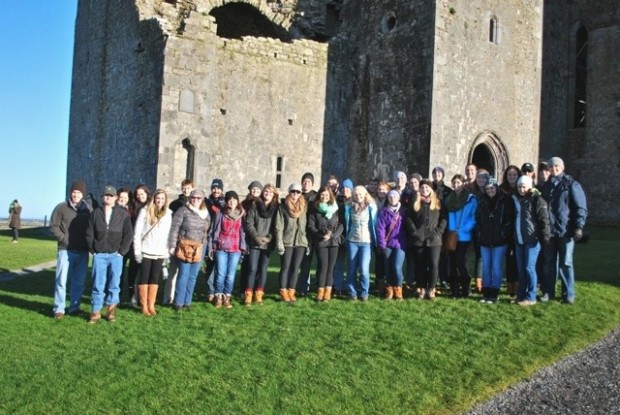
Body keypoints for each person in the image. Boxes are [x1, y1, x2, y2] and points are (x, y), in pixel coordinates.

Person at [541, 157, 588, 304]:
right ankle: (548, 292)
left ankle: (568, 294)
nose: (553, 169)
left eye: (556, 166)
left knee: (566, 264)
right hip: (549, 231)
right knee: (549, 263)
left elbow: (581, 207)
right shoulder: (546, 186)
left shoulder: (571, 184)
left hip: (565, 231)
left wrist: (579, 227)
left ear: (562, 167)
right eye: (551, 166)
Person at [86, 186, 134, 323]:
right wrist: (92, 250)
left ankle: (111, 310)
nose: (108, 197)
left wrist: (122, 252)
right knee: (98, 283)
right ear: (103, 197)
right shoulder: (95, 213)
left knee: (114, 284)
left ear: (115, 198)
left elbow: (128, 234)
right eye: (106, 195)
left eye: (111, 195)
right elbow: (89, 233)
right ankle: (95, 311)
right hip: (99, 254)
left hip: (115, 255)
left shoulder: (123, 214)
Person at [50, 180, 92, 319]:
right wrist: (64, 239)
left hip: (82, 251)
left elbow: (92, 228)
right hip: (65, 250)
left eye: (79, 192)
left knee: (78, 282)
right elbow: (53, 226)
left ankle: (74, 307)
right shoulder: (61, 208)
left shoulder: (88, 210)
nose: (76, 195)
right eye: (74, 192)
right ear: (70, 193)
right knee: (61, 281)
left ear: (83, 194)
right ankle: (59, 309)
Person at [168, 189, 211, 311]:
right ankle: (178, 302)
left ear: (202, 200)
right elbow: (174, 228)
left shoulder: (205, 213)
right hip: (184, 246)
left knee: (193, 276)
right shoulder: (183, 211)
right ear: (190, 198)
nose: (196, 200)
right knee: (183, 275)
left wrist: (205, 246)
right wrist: (172, 245)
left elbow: (207, 230)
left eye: (199, 198)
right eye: (193, 198)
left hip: (199, 247)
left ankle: (187, 301)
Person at [132, 189, 172, 316]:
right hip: (146, 250)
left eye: (162, 198)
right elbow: (137, 232)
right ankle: (144, 305)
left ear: (165, 200)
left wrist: (166, 253)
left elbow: (168, 235)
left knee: (155, 278)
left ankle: (151, 305)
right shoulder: (145, 211)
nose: (159, 200)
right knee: (144, 277)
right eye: (158, 198)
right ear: (154, 198)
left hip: (160, 251)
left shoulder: (168, 214)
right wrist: (137, 251)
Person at [512, 175, 550, 306]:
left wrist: (545, 238)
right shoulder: (516, 199)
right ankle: (520, 295)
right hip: (519, 239)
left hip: (532, 240)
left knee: (529, 268)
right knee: (521, 269)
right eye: (519, 187)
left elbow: (544, 220)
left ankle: (531, 296)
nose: (521, 189)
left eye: (524, 187)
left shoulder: (537, 200)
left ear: (530, 187)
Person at [406, 179, 446, 300]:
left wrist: (438, 231)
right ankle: (422, 288)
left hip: (434, 239)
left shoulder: (438, 202)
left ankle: (432, 288)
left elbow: (444, 219)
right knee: (420, 265)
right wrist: (414, 232)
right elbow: (408, 218)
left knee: (433, 264)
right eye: (422, 188)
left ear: (431, 190)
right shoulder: (415, 201)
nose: (425, 190)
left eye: (427, 188)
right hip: (419, 238)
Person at [476, 178, 513, 304]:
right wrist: (480, 233)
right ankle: (486, 292)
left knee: (496, 267)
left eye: (492, 188)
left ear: (496, 188)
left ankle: (494, 293)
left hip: (499, 240)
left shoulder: (504, 201)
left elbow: (509, 220)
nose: (489, 191)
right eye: (487, 189)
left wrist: (503, 233)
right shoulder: (482, 201)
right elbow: (478, 220)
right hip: (485, 239)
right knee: (486, 267)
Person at [210, 191, 246, 309]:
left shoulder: (241, 215)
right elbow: (215, 230)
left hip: (235, 249)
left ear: (237, 201)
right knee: (220, 274)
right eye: (229, 200)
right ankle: (218, 296)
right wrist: (213, 246)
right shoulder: (220, 214)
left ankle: (227, 297)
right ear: (226, 201)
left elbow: (243, 232)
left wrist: (243, 247)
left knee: (230, 275)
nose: (232, 202)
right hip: (222, 248)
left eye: (234, 200)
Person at [244, 184, 279, 305]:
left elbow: (277, 225)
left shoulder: (276, 208)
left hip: (267, 243)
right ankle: (248, 294)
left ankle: (259, 294)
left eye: (270, 192)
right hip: (255, 242)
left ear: (274, 194)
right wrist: (256, 237)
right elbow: (249, 223)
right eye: (266, 191)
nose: (268, 193)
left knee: (263, 269)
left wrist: (269, 238)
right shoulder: (255, 205)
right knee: (252, 269)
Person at [308, 185, 343, 302]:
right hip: (321, 241)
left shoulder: (335, 208)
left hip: (333, 241)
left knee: (331, 268)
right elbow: (311, 226)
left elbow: (340, 225)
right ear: (319, 195)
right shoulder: (314, 208)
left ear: (330, 196)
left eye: (327, 195)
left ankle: (327, 292)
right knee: (323, 267)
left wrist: (332, 235)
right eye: (322, 194)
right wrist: (321, 234)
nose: (324, 197)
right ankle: (320, 291)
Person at [445, 174, 477, 298]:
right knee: (452, 263)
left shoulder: (470, 198)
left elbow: (473, 217)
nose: (456, 185)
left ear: (463, 183)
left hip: (464, 235)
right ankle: (454, 290)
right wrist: (451, 230)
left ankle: (465, 288)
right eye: (454, 183)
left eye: (458, 182)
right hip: (452, 234)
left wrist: (464, 229)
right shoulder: (449, 199)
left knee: (460, 261)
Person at [275, 183, 308, 303]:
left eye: (298, 192)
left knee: (295, 268)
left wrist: (306, 241)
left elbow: (305, 225)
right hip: (287, 241)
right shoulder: (283, 206)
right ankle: (283, 292)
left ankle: (291, 291)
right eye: (293, 191)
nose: (295, 194)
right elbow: (279, 225)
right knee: (285, 267)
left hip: (300, 242)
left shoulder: (304, 206)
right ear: (289, 192)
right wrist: (279, 242)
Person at [163, 179, 194, 305]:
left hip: (189, 242)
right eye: (184, 188)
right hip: (177, 240)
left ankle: (180, 299)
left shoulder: (196, 203)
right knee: (173, 272)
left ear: (192, 188)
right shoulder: (175, 204)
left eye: (188, 188)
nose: (186, 190)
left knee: (186, 273)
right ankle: (167, 298)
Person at [345, 185, 378, 301]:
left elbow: (374, 224)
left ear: (365, 195)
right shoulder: (349, 207)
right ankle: (352, 292)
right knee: (352, 269)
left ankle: (364, 293)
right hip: (352, 241)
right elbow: (347, 223)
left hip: (366, 242)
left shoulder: (371, 207)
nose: (358, 196)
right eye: (356, 194)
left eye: (360, 194)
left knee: (364, 269)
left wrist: (376, 240)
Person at [376, 190, 407, 300]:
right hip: (387, 243)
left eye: (395, 196)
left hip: (400, 243)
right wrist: (382, 244)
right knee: (388, 267)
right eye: (390, 196)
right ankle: (389, 289)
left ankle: (398, 289)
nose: (392, 198)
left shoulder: (404, 211)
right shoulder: (384, 212)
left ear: (398, 198)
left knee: (397, 267)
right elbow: (380, 229)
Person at [125, 184, 151, 307]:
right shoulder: (133, 207)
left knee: (145, 273)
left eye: (142, 193)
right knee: (133, 271)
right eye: (138, 194)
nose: (140, 196)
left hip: (148, 244)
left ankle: (143, 298)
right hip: (134, 243)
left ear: (147, 193)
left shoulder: (151, 206)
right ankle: (132, 297)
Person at [500, 165, 522, 297]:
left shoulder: (521, 189)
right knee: (509, 258)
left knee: (518, 259)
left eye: (514, 175)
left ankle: (518, 284)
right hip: (505, 228)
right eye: (509, 175)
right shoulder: (502, 190)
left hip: (519, 229)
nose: (512, 177)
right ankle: (509, 285)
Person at [204, 179, 226, 302]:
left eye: (218, 188)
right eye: (214, 188)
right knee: (209, 265)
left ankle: (219, 291)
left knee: (220, 268)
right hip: (207, 237)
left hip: (220, 238)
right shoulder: (206, 202)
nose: (216, 190)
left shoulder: (225, 203)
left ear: (222, 190)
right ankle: (211, 291)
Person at [298, 172, 318, 297]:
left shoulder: (316, 197)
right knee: (304, 262)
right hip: (302, 233)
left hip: (314, 232)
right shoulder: (297, 195)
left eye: (309, 182)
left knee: (319, 262)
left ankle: (318, 286)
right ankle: (303, 287)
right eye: (304, 181)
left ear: (312, 184)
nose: (306, 184)